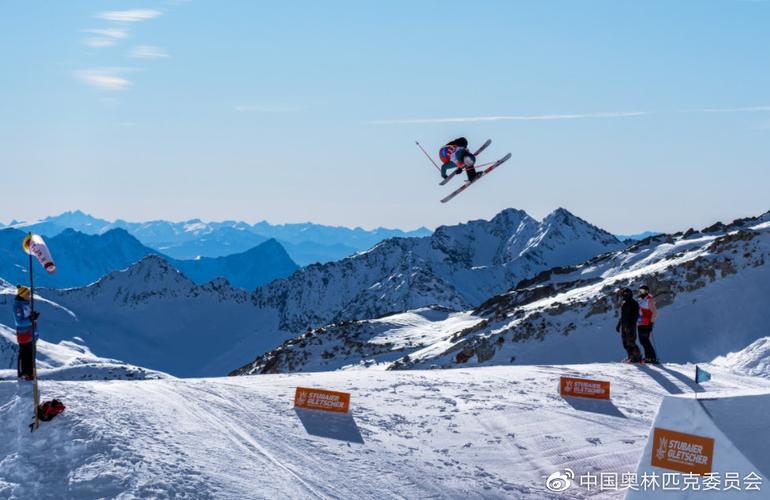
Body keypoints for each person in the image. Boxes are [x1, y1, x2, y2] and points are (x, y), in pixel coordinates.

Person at [13, 285, 39, 380]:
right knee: (25, 355)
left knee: (31, 354)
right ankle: (24, 374)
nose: (29, 295)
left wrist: (33, 317)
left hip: (30, 334)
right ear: (23, 295)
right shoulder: (18, 306)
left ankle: (31, 373)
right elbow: (19, 322)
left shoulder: (26, 304)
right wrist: (31, 319)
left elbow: (28, 318)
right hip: (24, 334)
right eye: (28, 294)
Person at [616, 288, 642, 363]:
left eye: (627, 293)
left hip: (630, 325)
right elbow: (623, 316)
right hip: (624, 326)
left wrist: (630, 324)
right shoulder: (624, 303)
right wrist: (619, 324)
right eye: (624, 293)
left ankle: (637, 357)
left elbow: (636, 315)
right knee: (625, 343)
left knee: (631, 342)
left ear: (630, 294)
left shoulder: (633, 303)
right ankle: (630, 357)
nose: (625, 295)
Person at [637, 285, 658, 363]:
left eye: (643, 291)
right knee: (642, 341)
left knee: (645, 341)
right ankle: (648, 357)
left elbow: (654, 312)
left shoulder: (649, 300)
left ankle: (651, 358)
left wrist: (651, 323)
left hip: (646, 323)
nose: (641, 292)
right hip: (640, 323)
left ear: (647, 291)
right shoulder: (639, 300)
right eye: (640, 291)